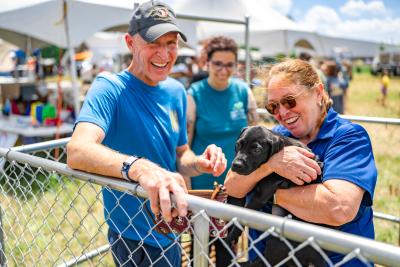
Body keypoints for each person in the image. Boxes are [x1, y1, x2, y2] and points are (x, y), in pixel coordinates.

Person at [66, 1, 227, 266]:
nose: (164, 54)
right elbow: (77, 150)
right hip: (132, 235)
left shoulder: (176, 90)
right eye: (154, 43)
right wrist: (140, 169)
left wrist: (199, 163)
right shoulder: (109, 87)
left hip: (170, 228)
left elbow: (180, 154)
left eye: (171, 43)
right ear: (130, 43)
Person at [224, 59, 377, 266]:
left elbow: (338, 208)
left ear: (318, 93)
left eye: (290, 101)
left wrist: (266, 192)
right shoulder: (275, 136)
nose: (283, 112)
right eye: (273, 106)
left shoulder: (348, 138)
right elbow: (233, 185)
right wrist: (272, 165)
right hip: (265, 257)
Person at [186, 36, 258, 266]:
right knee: (200, 251)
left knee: (228, 249)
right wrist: (187, 192)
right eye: (218, 63)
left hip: (235, 188)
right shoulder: (194, 94)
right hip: (202, 190)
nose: (223, 70)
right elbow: (184, 147)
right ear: (207, 63)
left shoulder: (244, 92)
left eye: (229, 64)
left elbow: (256, 137)